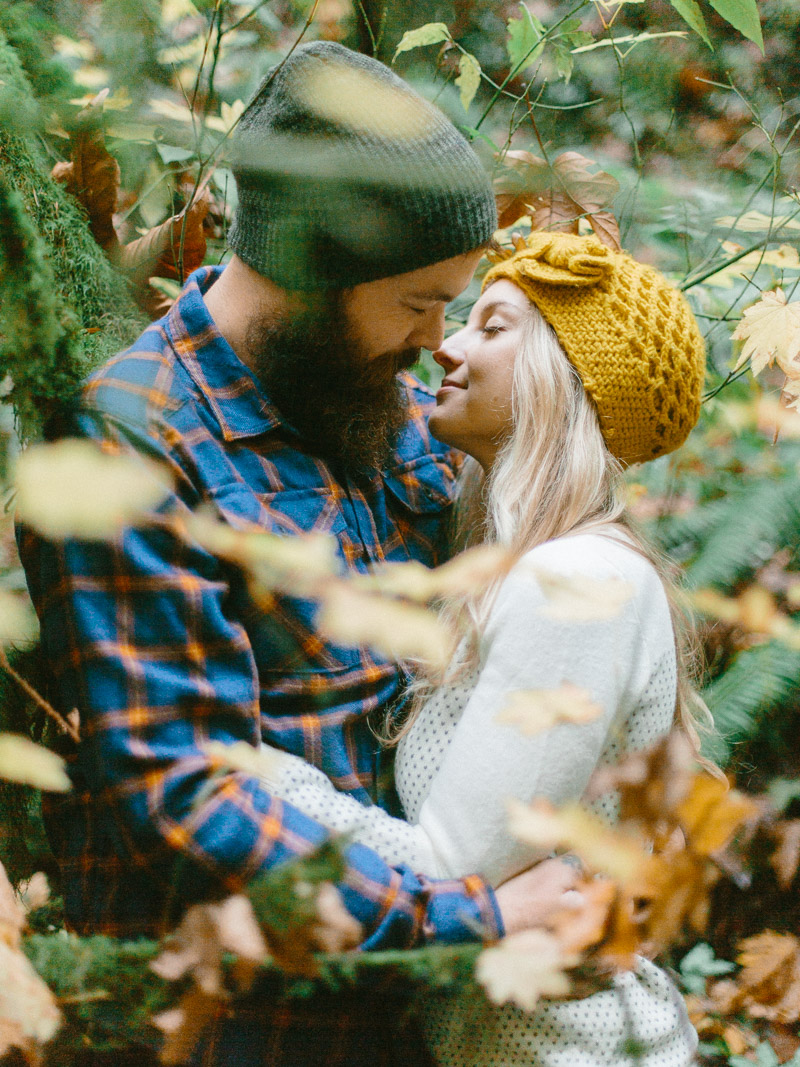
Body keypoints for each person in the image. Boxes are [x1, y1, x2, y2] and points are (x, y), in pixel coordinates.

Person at [17, 40, 564, 1067]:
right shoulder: (127, 440)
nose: (437, 341)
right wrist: (474, 917)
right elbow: (182, 794)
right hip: (241, 1028)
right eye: (414, 302)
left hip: (415, 1014)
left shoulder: (381, 407)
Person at [250, 230, 708, 1065]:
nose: (447, 346)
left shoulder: (578, 581)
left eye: (493, 327)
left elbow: (448, 871)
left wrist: (264, 772)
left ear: (562, 377)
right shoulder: (534, 567)